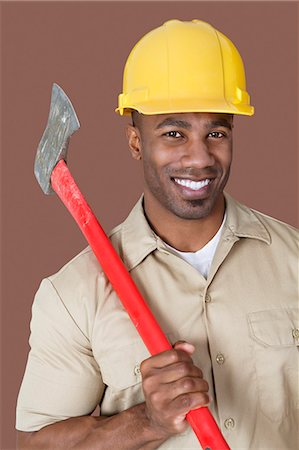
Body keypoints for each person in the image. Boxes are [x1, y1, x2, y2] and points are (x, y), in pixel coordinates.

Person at [16, 19, 298, 450]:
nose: (200, 157)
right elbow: (35, 445)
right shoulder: (72, 295)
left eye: (216, 132)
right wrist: (147, 421)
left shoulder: (294, 260)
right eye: (173, 133)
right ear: (135, 142)